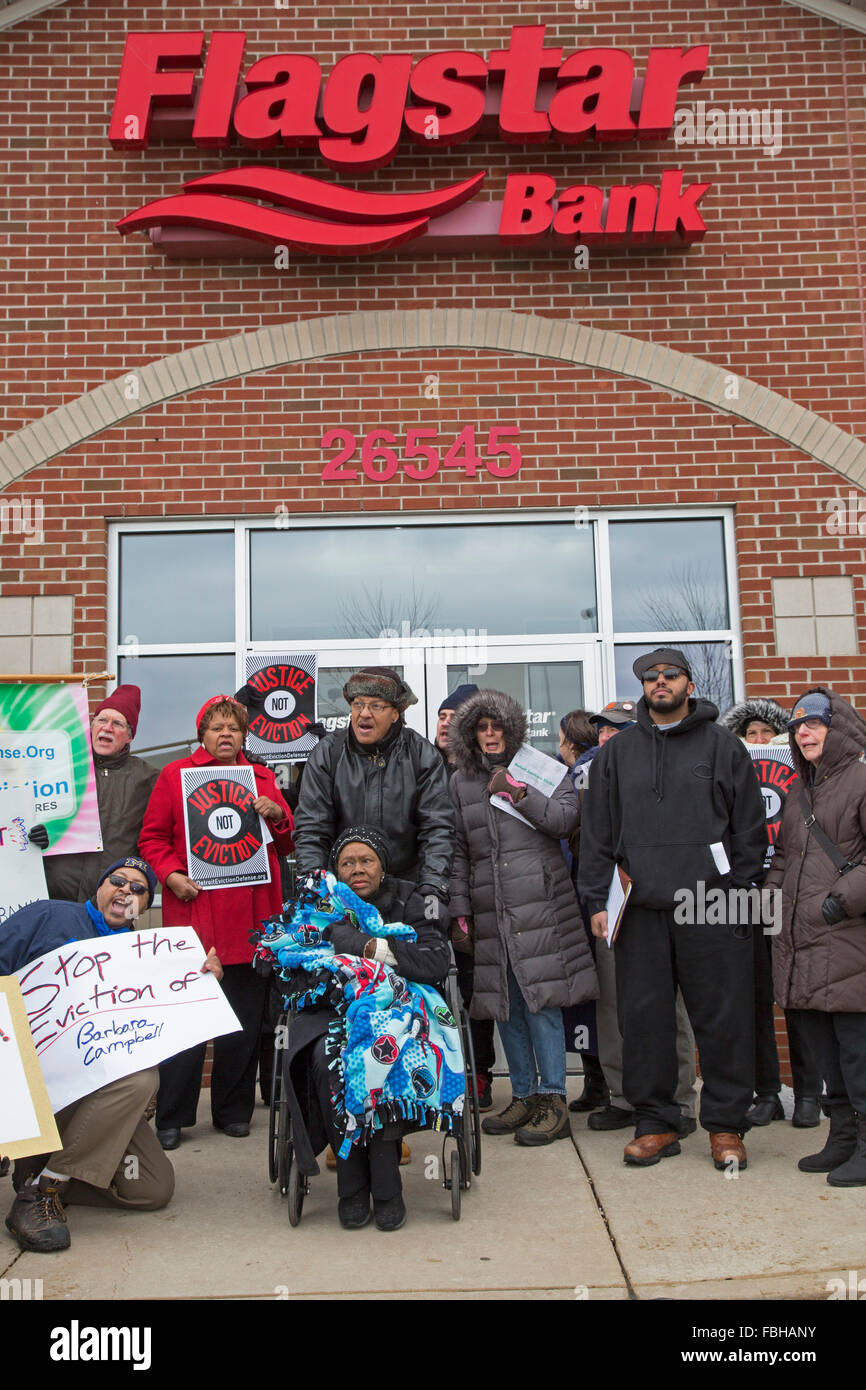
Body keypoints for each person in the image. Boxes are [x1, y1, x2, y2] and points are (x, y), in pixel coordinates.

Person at [579, 649, 768, 1172]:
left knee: (721, 1020)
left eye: (670, 675)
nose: (660, 683)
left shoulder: (724, 746)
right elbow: (596, 831)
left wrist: (737, 889)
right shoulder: (617, 754)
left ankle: (726, 1126)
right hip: (640, 910)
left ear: (688, 682)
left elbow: (750, 829)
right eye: (650, 677)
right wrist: (598, 899)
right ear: (642, 686)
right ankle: (656, 1122)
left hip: (709, 905)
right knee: (644, 1022)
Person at [0, 858, 198, 1254]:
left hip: (87, 1091)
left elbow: (157, 1028)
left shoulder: (142, 957)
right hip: (23, 1074)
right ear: (100, 887)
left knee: (152, 1189)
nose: (126, 891)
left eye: (139, 889)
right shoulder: (48, 915)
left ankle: (42, 1180)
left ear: (144, 906)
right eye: (118, 881)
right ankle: (44, 1185)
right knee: (141, 1080)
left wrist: (199, 978)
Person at [274, 828, 452, 1231]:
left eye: (366, 860)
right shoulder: (320, 905)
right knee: (325, 1059)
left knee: (384, 1055)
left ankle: (387, 1187)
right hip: (328, 1010)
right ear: (336, 870)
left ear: (382, 865)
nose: (357, 869)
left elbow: (435, 961)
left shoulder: (409, 900)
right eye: (347, 863)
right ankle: (351, 1184)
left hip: (400, 1008)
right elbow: (290, 966)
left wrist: (368, 947)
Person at [139, 695, 294, 1150]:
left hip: (251, 918)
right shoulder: (174, 776)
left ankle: (232, 1111)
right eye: (217, 727)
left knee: (243, 1024)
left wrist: (278, 816)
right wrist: (170, 875)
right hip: (195, 916)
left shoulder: (263, 778)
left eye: (234, 728)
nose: (226, 735)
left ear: (245, 735)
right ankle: (172, 1115)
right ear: (202, 733)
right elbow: (152, 838)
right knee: (188, 1025)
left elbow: (285, 846)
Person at [448, 689, 598, 1146]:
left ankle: (553, 1098)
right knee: (505, 1005)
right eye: (481, 728)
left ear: (511, 730)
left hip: (540, 904)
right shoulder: (460, 781)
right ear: (471, 734)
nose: (490, 735)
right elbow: (457, 850)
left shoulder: (541, 767)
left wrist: (517, 793)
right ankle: (523, 1094)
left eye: (497, 727)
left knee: (542, 1003)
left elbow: (567, 820)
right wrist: (458, 907)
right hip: (490, 907)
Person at [582, 702, 700, 1134]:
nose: (607, 737)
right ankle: (623, 1096)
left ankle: (681, 1101)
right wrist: (596, 899)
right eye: (602, 730)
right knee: (615, 1003)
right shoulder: (590, 774)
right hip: (615, 899)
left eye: (617, 729)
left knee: (670, 1006)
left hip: (664, 902)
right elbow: (590, 839)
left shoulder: (662, 770)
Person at [766, 689, 866, 1187]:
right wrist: (768, 901)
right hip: (803, 942)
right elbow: (785, 860)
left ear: (839, 728)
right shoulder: (799, 792)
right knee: (827, 1053)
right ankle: (843, 1137)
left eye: (815, 723)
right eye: (797, 725)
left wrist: (844, 896)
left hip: (848, 941)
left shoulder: (862, 779)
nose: (803, 731)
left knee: (857, 1052)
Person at [720, 696, 824, 1129]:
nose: (759, 740)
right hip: (747, 896)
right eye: (751, 734)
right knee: (755, 1000)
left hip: (794, 897)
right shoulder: (726, 777)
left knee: (799, 999)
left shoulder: (808, 778)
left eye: (767, 734)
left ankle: (807, 1095)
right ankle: (767, 1092)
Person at [293, 666, 455, 905]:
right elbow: (312, 828)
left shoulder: (421, 755)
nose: (364, 713)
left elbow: (437, 829)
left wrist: (431, 889)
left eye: (376, 706)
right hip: (342, 895)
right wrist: (315, 886)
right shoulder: (328, 753)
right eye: (358, 704)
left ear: (396, 713)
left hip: (407, 894)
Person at [429, 682, 493, 1109]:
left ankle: (479, 1073)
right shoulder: (420, 766)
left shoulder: (485, 772)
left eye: (455, 715)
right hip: (426, 893)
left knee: (474, 989)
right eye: (441, 714)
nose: (445, 721)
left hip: (472, 898)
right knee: (430, 989)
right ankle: (431, 1073)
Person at [45, 685, 158, 903]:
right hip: (57, 900)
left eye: (117, 724)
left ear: (129, 736)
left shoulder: (148, 779)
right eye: (101, 720)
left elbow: (158, 839)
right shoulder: (64, 767)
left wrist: (139, 886)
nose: (107, 728)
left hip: (114, 906)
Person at [557, 708, 607, 1113]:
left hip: (581, 901)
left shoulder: (578, 776)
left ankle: (598, 1082)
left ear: (569, 743)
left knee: (586, 997)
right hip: (607, 901)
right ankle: (605, 1081)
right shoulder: (607, 770)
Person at [434, 683, 479, 776]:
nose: (445, 723)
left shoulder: (485, 771)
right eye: (442, 717)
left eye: (454, 718)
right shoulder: (424, 765)